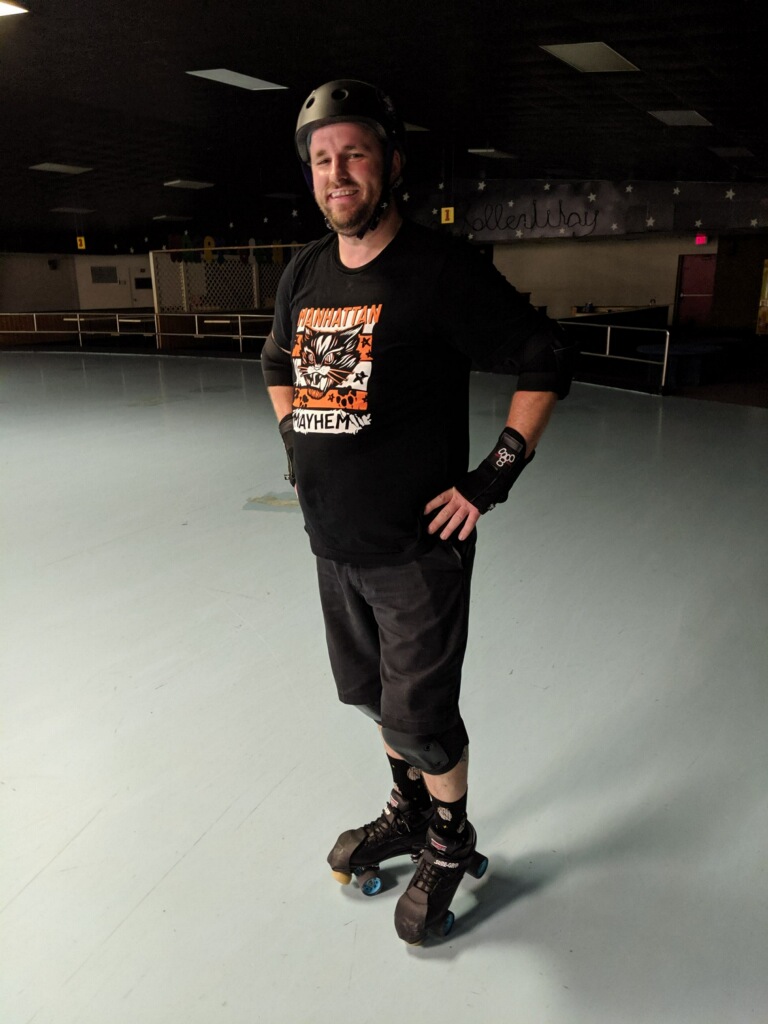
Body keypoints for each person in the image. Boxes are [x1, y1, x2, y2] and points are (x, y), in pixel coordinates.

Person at [261, 79, 574, 944]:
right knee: (373, 697)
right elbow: (275, 363)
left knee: (425, 718)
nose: (337, 173)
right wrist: (297, 445)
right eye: (323, 160)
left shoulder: (440, 271)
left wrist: (490, 479)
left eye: (353, 154)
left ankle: (447, 836)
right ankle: (406, 809)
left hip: (415, 551)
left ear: (391, 164)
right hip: (333, 544)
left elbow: (544, 357)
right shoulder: (305, 271)